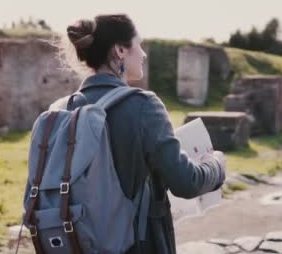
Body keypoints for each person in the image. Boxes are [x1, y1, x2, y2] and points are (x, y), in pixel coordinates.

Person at [61, 14, 226, 253]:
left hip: (78, 242)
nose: (144, 53)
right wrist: (215, 166)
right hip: (136, 244)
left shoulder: (63, 109)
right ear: (120, 50)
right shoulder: (143, 105)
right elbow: (185, 182)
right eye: (138, 44)